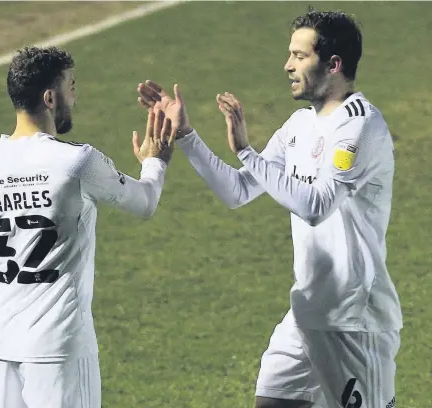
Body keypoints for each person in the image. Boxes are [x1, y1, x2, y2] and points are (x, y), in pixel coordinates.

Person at [137, 10, 402, 408]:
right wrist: (188, 136)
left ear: (333, 64)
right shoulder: (298, 125)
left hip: (353, 317)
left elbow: (316, 205)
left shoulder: (360, 126)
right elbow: (239, 190)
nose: (288, 65)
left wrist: (247, 151)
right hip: (308, 309)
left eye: (299, 56)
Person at [0, 46, 175, 408]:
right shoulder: (75, 161)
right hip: (58, 345)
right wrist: (155, 162)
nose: (74, 97)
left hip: (4, 341)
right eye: (70, 86)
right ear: (50, 97)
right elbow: (144, 203)